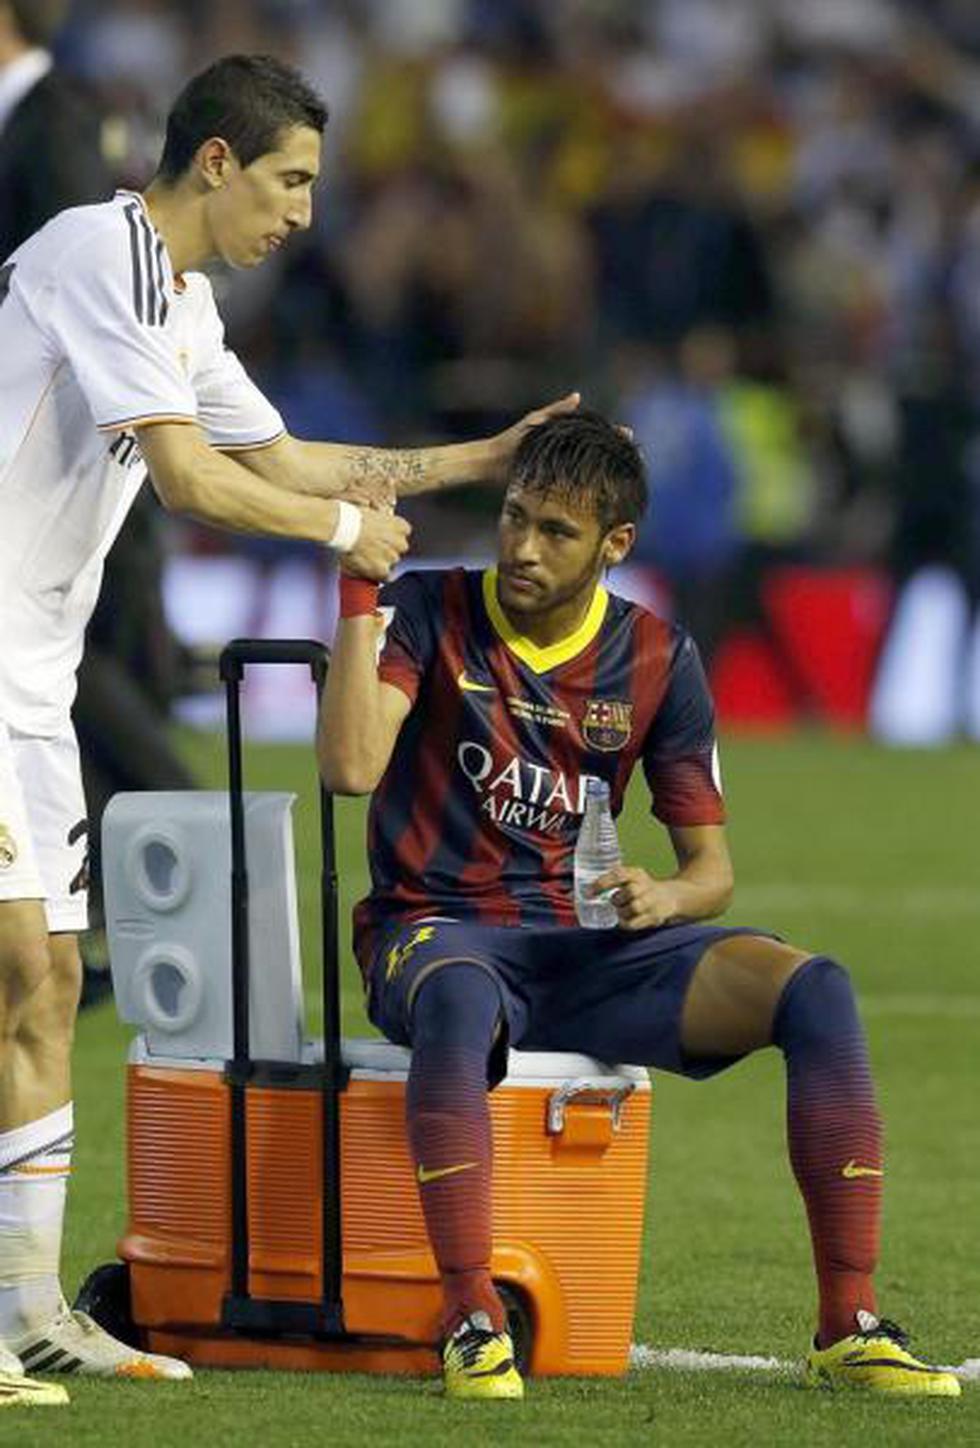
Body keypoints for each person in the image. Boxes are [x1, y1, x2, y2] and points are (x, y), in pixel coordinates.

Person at [0, 52, 576, 1408]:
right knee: (16, 965)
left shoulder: (181, 306)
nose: (306, 214)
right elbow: (201, 483)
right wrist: (339, 535)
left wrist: (481, 460)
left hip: (32, 680)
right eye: (292, 179)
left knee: (42, 985)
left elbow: (285, 458)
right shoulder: (103, 252)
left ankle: (28, 1317)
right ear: (217, 163)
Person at [316, 410, 960, 1402]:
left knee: (814, 988)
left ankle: (848, 1321)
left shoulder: (655, 655)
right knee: (456, 996)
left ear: (615, 544)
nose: (523, 547)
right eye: (514, 518)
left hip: (580, 952)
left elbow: (710, 869)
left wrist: (665, 893)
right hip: (432, 933)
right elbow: (351, 765)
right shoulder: (429, 609)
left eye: (556, 531)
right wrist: (358, 583)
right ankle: (471, 1317)